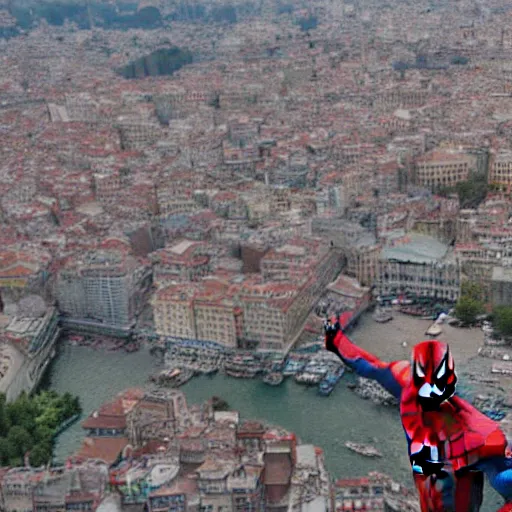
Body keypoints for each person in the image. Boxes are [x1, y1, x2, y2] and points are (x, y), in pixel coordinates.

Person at [324, 314, 512, 512]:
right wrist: (335, 339)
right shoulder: (406, 386)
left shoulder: (475, 431)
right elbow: (369, 365)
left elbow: (369, 366)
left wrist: (336, 341)